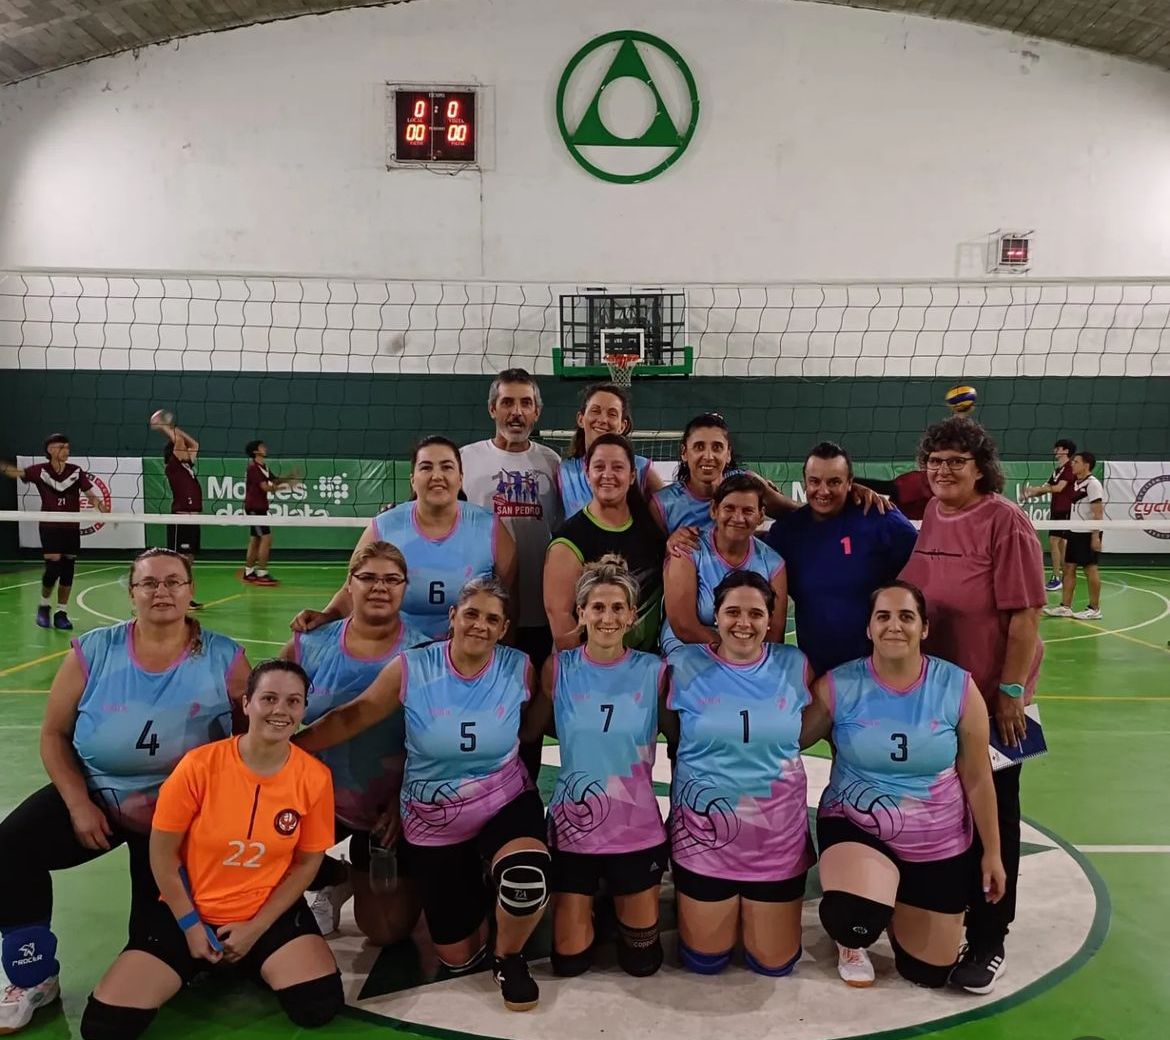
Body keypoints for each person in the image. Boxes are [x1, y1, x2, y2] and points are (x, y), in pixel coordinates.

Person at [0, 548, 248, 1035]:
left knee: (161, 949)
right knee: (10, 847)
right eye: (149, 583)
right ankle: (33, 975)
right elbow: (53, 734)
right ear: (132, 593)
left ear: (191, 591)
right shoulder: (94, 650)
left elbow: (249, 747)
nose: (162, 591)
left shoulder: (225, 657)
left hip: (181, 820)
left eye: (174, 582)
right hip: (100, 796)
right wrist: (77, 803)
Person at [294, 579, 550, 1012]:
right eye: (471, 614)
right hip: (434, 817)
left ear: (505, 628)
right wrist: (287, 749)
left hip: (502, 800)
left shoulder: (519, 667)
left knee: (524, 877)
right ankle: (483, 883)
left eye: (492, 619)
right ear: (452, 617)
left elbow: (528, 728)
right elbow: (353, 716)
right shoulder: (413, 667)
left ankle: (509, 957)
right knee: (457, 956)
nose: (480, 625)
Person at [81, 660, 342, 1039]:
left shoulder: (314, 778)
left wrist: (255, 929)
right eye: (269, 698)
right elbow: (162, 854)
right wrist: (190, 926)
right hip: (188, 911)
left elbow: (307, 862)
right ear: (247, 703)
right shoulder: (199, 767)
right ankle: (198, 961)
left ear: (303, 709)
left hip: (263, 913)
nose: (281, 710)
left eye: (293, 701)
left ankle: (252, 959)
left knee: (317, 1006)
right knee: (104, 1027)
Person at [899, 415, 1045, 994]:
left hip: (992, 697)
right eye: (934, 461)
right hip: (940, 695)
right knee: (948, 810)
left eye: (956, 462)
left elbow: (1026, 617)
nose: (942, 471)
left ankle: (990, 939)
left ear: (981, 469)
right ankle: (955, 915)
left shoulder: (1006, 521)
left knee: (995, 818)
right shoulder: (936, 513)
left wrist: (1010, 694)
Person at [807, 582, 1006, 990]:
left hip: (935, 837)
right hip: (858, 824)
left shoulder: (958, 688)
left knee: (929, 973)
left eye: (906, 617)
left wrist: (993, 852)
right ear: (868, 629)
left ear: (924, 628)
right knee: (855, 918)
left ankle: (894, 902)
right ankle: (857, 927)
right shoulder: (840, 685)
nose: (894, 626)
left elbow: (977, 776)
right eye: (883, 617)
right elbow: (787, 739)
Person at [661, 572, 814, 978]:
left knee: (773, 963)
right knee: (705, 962)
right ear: (716, 615)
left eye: (755, 613)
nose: (743, 623)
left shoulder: (794, 665)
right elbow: (670, 731)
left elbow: (810, 729)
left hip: (777, 841)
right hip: (704, 839)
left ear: (770, 619)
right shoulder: (683, 665)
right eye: (732, 612)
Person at [526, 556, 669, 978]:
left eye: (618, 607)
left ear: (632, 615)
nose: (608, 617)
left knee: (642, 961)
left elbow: (684, 739)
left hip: (635, 827)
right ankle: (594, 901)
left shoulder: (655, 672)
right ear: (582, 613)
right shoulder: (558, 669)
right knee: (569, 962)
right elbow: (529, 731)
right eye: (598, 607)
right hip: (575, 829)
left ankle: (611, 900)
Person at [280, 542, 427, 943]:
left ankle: (367, 874)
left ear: (405, 587)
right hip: (318, 799)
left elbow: (434, 742)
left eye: (392, 579)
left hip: (388, 805)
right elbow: (267, 706)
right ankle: (332, 875)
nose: (380, 587)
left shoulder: (425, 652)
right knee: (254, 837)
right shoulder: (311, 643)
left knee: (386, 931)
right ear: (349, 585)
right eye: (368, 578)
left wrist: (404, 800)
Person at [291, 436, 517, 642]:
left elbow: (508, 600)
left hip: (466, 651)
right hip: (399, 651)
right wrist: (328, 615)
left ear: (460, 479)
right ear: (413, 480)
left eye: (446, 467)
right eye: (426, 467)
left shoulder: (491, 527)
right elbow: (352, 589)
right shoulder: (384, 527)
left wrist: (505, 655)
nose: (437, 476)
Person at [460, 368, 562, 781]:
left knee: (527, 714)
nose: (516, 412)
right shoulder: (465, 460)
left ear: (537, 412)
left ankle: (523, 796)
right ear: (492, 408)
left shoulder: (551, 463)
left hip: (539, 616)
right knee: (480, 710)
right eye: (507, 402)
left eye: (525, 403)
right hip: (483, 616)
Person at [765, 442, 918, 675]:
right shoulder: (787, 532)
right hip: (817, 673)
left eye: (834, 482)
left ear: (850, 483)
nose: (823, 490)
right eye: (815, 481)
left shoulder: (879, 518)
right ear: (805, 483)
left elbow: (923, 566)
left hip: (878, 671)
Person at [545, 434, 666, 652]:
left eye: (617, 467)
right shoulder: (569, 540)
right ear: (587, 474)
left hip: (646, 661)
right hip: (593, 665)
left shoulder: (652, 529)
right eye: (599, 467)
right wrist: (583, 667)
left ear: (632, 476)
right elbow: (559, 615)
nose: (607, 475)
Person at [661, 474, 787, 656]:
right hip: (688, 648)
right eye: (729, 508)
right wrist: (733, 652)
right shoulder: (688, 549)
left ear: (761, 516)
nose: (738, 518)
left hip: (748, 653)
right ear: (714, 510)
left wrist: (742, 656)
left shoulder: (774, 563)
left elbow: (774, 635)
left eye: (748, 511)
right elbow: (684, 627)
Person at [1, 433, 106, 630]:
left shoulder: (76, 471)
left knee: (68, 570)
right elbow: (16, 473)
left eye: (67, 447)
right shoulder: (40, 471)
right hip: (50, 526)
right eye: (61, 447)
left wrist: (101, 507)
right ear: (50, 450)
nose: (66, 450)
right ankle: (44, 606)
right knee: (53, 568)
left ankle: (61, 612)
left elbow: (90, 495)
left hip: (71, 527)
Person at [557, 383, 665, 517]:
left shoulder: (642, 469)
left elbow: (669, 516)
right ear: (581, 419)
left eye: (612, 414)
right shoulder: (564, 471)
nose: (603, 420)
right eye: (595, 411)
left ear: (622, 426)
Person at [1044, 451, 1105, 621]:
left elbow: (1098, 513)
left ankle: (1094, 609)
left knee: (1090, 569)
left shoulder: (1093, 484)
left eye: (1076, 462)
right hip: (1074, 531)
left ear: (1086, 465)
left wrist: (1095, 536)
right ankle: (1065, 607)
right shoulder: (1076, 483)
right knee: (1069, 567)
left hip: (1088, 533)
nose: (1072, 464)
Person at [152, 415, 204, 609]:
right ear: (174, 453)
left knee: (188, 560)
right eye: (181, 448)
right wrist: (164, 426)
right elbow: (180, 441)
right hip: (181, 518)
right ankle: (168, 596)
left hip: (194, 519)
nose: (186, 449)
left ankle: (184, 597)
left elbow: (195, 444)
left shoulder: (187, 465)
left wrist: (172, 426)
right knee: (178, 561)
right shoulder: (173, 466)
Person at [243, 440, 301, 587]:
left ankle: (249, 572)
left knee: (256, 539)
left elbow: (275, 481)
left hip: (260, 508)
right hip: (254, 508)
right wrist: (288, 487)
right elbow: (265, 487)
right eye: (262, 446)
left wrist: (291, 476)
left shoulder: (263, 467)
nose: (265, 448)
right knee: (266, 538)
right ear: (256, 451)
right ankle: (262, 573)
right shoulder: (253, 468)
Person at [1022, 438, 1077, 592]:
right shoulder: (1058, 470)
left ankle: (1056, 577)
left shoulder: (1069, 468)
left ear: (1066, 451)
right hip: (1057, 510)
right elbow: (1046, 488)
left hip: (1065, 509)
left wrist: (1036, 489)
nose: (1055, 451)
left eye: (1058, 448)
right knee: (1061, 543)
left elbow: (1058, 488)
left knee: (1054, 541)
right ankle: (1066, 575)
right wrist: (1030, 493)